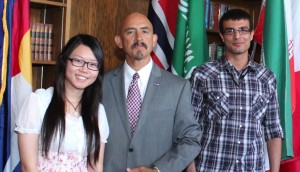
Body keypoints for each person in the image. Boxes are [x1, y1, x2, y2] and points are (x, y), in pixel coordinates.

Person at [102, 12, 201, 172]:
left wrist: (158, 170)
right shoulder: (100, 84)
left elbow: (190, 140)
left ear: (154, 40)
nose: (139, 38)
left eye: (145, 31)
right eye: (130, 32)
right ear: (119, 41)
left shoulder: (178, 87)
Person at [189, 9, 284, 172]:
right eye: (230, 31)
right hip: (211, 167)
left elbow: (273, 130)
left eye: (243, 30)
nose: (237, 36)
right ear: (222, 36)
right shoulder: (203, 74)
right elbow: (189, 128)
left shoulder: (267, 77)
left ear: (252, 34)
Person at [15, 34, 109, 172]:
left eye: (93, 64)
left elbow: (95, 167)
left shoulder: (98, 111)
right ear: (64, 61)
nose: (84, 69)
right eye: (78, 61)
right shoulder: (39, 102)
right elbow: (28, 167)